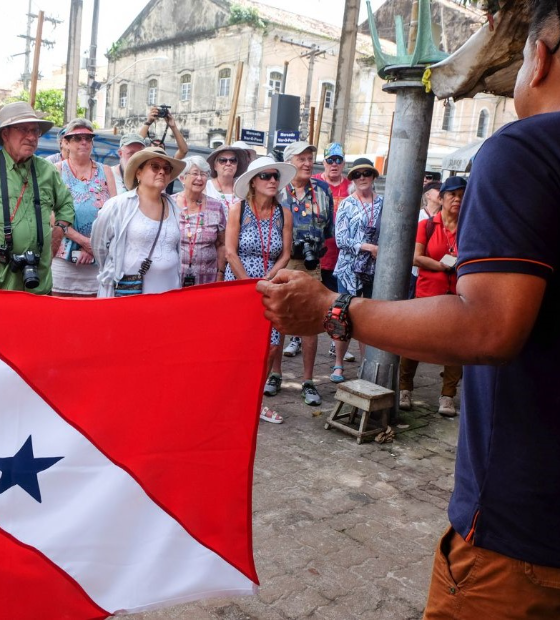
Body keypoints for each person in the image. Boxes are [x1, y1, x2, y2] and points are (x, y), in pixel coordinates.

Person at [257, 2, 560, 616]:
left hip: (529, 528)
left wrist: (335, 310)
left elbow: (490, 324)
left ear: (540, 57)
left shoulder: (528, 150)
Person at [225, 156, 294, 423]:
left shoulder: (283, 213)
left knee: (272, 347)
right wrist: (250, 285)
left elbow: (286, 254)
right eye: (266, 176)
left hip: (272, 286)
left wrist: (269, 280)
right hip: (241, 287)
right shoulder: (238, 209)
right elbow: (230, 252)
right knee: (240, 345)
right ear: (253, 182)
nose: (273, 181)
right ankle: (233, 398)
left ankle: (254, 402)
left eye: (275, 176)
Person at [264, 141, 333, 407]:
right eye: (301, 158)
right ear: (289, 162)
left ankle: (308, 380)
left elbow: (329, 230)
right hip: (283, 261)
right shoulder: (278, 190)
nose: (307, 163)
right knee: (279, 319)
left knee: (311, 321)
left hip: (311, 265)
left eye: (310, 158)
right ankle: (276, 373)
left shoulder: (323, 191)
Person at [399, 176, 466, 416]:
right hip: (428, 293)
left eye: (461, 195)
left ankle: (447, 396)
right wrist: (441, 266)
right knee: (414, 342)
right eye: (452, 195)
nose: (457, 199)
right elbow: (415, 257)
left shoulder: (469, 227)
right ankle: (404, 389)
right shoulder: (427, 225)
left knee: (456, 346)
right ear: (442, 197)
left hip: (458, 295)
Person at [0, 102, 74, 294]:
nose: (32, 137)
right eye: (23, 129)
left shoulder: (47, 170)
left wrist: (58, 233)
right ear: (5, 134)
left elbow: (66, 204)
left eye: (35, 131)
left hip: (37, 279)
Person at [91, 147, 185, 297]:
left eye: (166, 169)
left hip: (169, 288)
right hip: (129, 291)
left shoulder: (175, 207)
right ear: (138, 172)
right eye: (155, 166)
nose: (161, 171)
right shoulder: (119, 205)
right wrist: (112, 269)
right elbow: (99, 245)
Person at [331, 158, 383, 382]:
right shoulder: (346, 204)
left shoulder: (383, 203)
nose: (362, 177)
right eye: (357, 174)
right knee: (344, 316)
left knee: (369, 317)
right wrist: (367, 246)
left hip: (375, 269)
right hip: (348, 269)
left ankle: (366, 366)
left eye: (366, 173)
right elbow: (340, 239)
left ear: (373, 177)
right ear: (352, 179)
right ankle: (338, 364)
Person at [51, 119, 117, 297]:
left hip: (98, 259)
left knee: (92, 317)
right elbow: (51, 216)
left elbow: (115, 213)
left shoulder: (106, 170)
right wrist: (84, 242)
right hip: (63, 259)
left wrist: (93, 245)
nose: (84, 142)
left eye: (88, 138)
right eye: (77, 138)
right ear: (66, 142)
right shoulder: (56, 170)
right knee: (60, 315)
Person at [312, 142, 355, 363]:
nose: (334, 164)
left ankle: (336, 343)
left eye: (338, 160)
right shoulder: (314, 183)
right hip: (318, 253)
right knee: (310, 297)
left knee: (339, 301)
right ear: (323, 162)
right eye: (330, 160)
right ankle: (299, 338)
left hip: (342, 258)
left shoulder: (350, 186)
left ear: (343, 163)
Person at [174, 155, 226, 285]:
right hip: (173, 277)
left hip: (208, 279)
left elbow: (221, 244)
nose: (199, 178)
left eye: (203, 174)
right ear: (182, 178)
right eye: (195, 173)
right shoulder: (170, 204)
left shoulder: (216, 206)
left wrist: (220, 274)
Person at [409, 180, 442, 299]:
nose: (442, 193)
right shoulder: (416, 216)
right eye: (438, 190)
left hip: (438, 273)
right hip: (415, 272)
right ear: (427, 194)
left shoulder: (446, 218)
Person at [205, 144, 249, 219]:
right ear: (215, 166)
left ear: (237, 165)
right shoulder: (205, 187)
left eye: (233, 160)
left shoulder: (243, 188)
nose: (228, 163)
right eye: (223, 160)